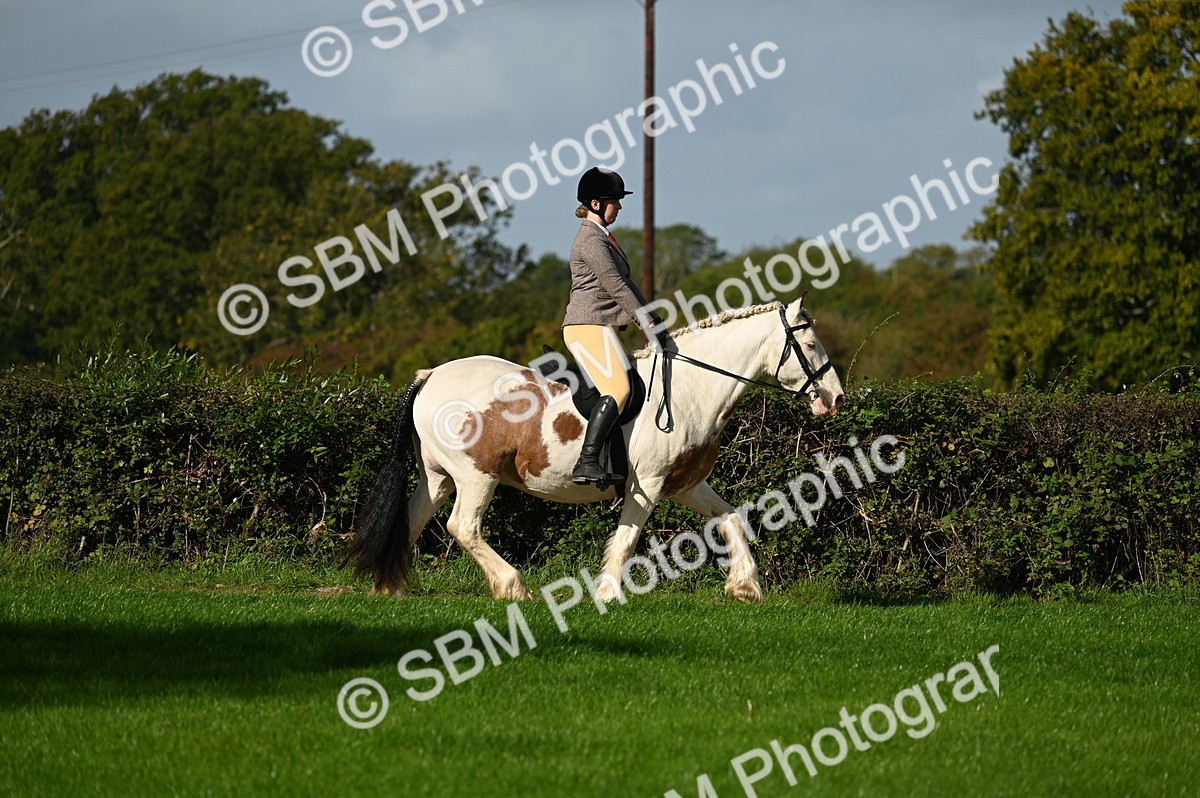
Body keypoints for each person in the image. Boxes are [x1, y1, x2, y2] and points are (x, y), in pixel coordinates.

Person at [562, 167, 661, 486]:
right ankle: (586, 461)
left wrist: (651, 316)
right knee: (619, 389)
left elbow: (627, 283)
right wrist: (646, 321)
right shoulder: (591, 240)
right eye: (613, 201)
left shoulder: (602, 237)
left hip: (599, 325)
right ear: (595, 204)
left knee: (632, 384)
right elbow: (616, 285)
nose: (618, 206)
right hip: (587, 324)